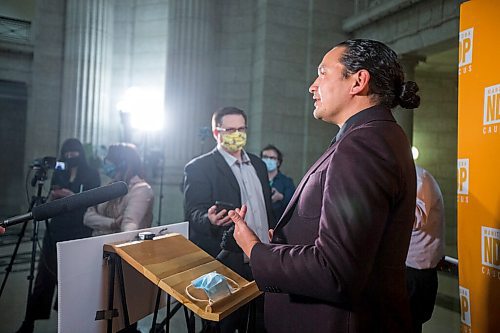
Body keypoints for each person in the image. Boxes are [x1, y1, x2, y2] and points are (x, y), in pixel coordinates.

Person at [228, 39, 420, 333]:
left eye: (323, 73)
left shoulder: (363, 144)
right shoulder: (377, 135)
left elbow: (335, 270)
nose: (312, 86)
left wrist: (255, 250)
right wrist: (288, 239)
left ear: (358, 81)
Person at [183, 106, 275, 332]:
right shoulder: (199, 167)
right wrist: (209, 218)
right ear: (217, 133)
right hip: (226, 263)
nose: (238, 134)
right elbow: (193, 211)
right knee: (223, 326)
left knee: (261, 324)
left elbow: (266, 209)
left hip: (263, 260)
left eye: (242, 128)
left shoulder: (258, 164)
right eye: (231, 129)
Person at [16, 138, 100, 333]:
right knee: (44, 277)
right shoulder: (59, 172)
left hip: (79, 229)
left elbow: (92, 200)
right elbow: (52, 196)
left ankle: (68, 323)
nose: (70, 156)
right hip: (57, 228)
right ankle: (29, 322)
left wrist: (71, 197)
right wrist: (55, 195)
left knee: (71, 279)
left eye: (74, 153)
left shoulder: (91, 174)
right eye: (67, 153)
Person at [406, 165, 445, 333]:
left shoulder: (418, 178)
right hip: (408, 267)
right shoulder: (409, 177)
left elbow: (416, 219)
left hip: (417, 271)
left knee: (410, 323)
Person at [84, 143, 154, 236]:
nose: (105, 164)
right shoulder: (109, 185)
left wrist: (103, 222)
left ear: (122, 164)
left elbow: (130, 225)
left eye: (109, 161)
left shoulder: (141, 189)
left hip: (119, 246)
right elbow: (88, 217)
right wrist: (112, 223)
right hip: (97, 243)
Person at [260, 144, 295, 221]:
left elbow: (293, 205)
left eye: (272, 158)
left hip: (278, 224)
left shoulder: (287, 182)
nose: (268, 160)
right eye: (265, 157)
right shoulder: (256, 179)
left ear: (278, 162)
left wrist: (281, 197)